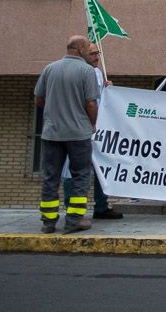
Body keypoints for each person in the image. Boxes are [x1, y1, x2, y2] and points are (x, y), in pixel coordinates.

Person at [34, 36, 100, 234]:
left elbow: (39, 99)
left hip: (52, 133)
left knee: (50, 177)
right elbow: (91, 103)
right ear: (80, 49)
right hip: (78, 133)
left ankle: (48, 221)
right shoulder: (87, 71)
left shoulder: (50, 69)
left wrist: (53, 113)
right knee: (80, 176)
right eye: (87, 47)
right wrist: (92, 123)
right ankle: (74, 220)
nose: (89, 51)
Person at [63, 43, 121, 220]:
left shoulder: (97, 72)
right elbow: (90, 102)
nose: (97, 57)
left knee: (100, 167)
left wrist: (107, 89)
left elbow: (99, 99)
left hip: (97, 129)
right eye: (93, 54)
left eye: (98, 53)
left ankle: (101, 206)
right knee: (74, 169)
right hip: (79, 127)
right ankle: (71, 208)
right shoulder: (78, 72)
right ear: (82, 54)